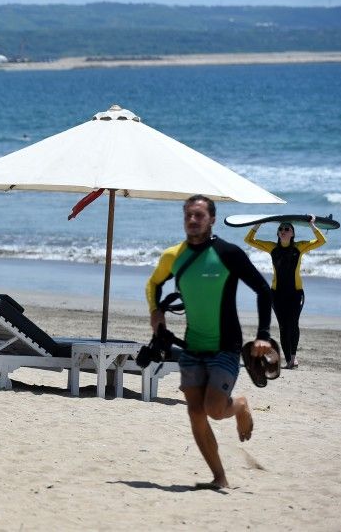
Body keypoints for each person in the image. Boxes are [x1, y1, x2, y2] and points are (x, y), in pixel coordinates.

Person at [146, 195, 273, 489]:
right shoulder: (173, 256)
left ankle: (240, 406)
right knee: (195, 412)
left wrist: (263, 335)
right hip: (191, 347)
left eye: (199, 215)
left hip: (225, 347)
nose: (193, 220)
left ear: (212, 219)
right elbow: (153, 283)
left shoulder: (228, 253)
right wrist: (156, 312)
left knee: (215, 410)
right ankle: (219, 477)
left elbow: (263, 290)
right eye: (189, 215)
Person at [244, 216, 326, 369]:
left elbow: (322, 241)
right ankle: (288, 359)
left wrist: (312, 225)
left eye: (287, 229)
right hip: (276, 294)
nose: (283, 231)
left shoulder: (299, 247)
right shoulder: (272, 248)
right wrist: (257, 224)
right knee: (283, 326)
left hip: (296, 293)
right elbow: (248, 240)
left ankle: (293, 358)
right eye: (280, 229)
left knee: (293, 324)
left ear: (292, 233)